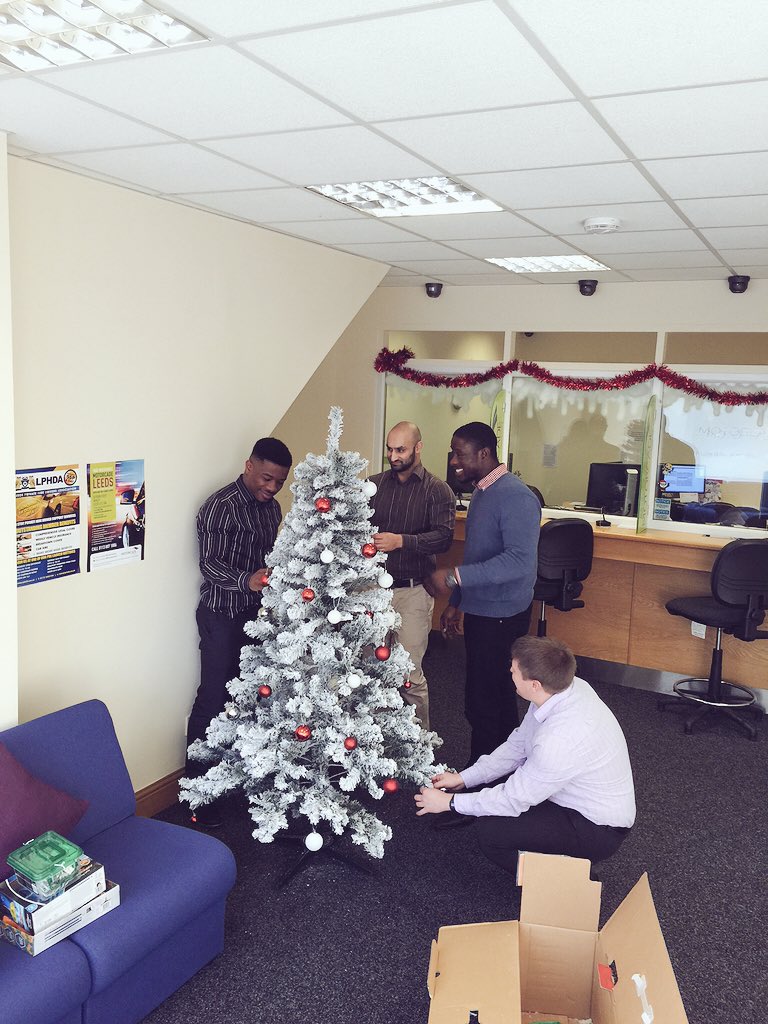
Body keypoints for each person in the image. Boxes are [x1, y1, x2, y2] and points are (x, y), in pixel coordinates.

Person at [414, 636, 636, 873]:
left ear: (534, 684)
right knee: (495, 803)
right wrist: (464, 778)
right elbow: (518, 745)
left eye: (514, 671)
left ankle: (572, 881)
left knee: (492, 832)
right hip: (576, 800)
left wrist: (450, 803)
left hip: (597, 829)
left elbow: (512, 800)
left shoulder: (558, 741)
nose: (509, 673)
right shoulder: (566, 688)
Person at [186, 436, 292, 826]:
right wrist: (248, 580)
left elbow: (270, 557)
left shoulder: (273, 508)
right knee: (213, 700)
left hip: (256, 616)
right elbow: (209, 565)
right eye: (266, 478)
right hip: (221, 615)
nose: (271, 488)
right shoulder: (219, 507)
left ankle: (236, 780)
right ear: (249, 465)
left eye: (279, 482)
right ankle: (198, 792)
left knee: (250, 699)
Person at [428, 421, 540, 764]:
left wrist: (453, 577)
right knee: (484, 699)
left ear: (484, 453)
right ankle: (500, 770)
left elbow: (518, 562)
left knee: (489, 701)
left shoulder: (516, 496)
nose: (452, 461)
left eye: (459, 454)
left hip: (503, 616)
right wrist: (457, 603)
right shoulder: (483, 491)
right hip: (483, 611)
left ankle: (486, 780)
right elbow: (480, 554)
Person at [369, 421, 455, 730]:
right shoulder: (373, 485)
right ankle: (374, 741)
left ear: (418, 447)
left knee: (408, 673)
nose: (393, 456)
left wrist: (402, 541)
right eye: (389, 449)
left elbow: (444, 538)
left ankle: (420, 746)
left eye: (401, 449)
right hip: (372, 593)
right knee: (372, 669)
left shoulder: (437, 490)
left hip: (413, 592)